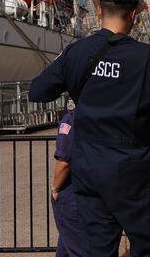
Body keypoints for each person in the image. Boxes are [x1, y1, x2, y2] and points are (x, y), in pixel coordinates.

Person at [30, 0, 150, 257]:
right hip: (136, 169)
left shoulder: (76, 53)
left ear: (99, 10)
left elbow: (38, 91)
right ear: (134, 14)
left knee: (97, 249)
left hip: (89, 168)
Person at [50, 100, 82, 257]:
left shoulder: (71, 118)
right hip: (95, 187)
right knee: (67, 242)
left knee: (75, 244)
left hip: (72, 191)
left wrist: (55, 188)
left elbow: (64, 161)